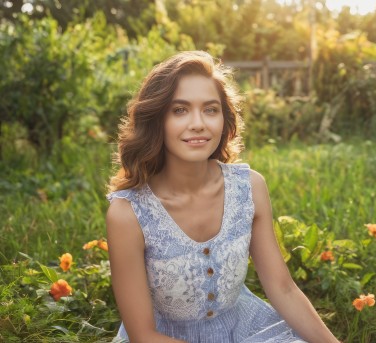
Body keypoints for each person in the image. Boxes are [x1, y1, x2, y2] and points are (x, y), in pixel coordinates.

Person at [105, 51, 340, 343]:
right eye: (180, 110)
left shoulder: (249, 188)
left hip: (246, 330)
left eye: (210, 109)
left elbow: (283, 289)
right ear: (157, 120)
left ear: (224, 118)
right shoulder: (128, 213)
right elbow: (143, 335)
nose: (198, 123)